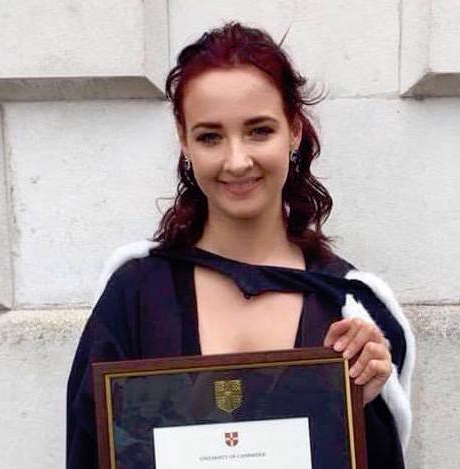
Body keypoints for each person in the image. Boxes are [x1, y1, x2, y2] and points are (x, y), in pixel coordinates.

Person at [66, 22, 415, 468]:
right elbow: (90, 454)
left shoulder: (351, 309)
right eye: (210, 136)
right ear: (184, 141)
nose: (236, 161)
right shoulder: (135, 297)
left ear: (294, 130)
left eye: (259, 131)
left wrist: (361, 406)